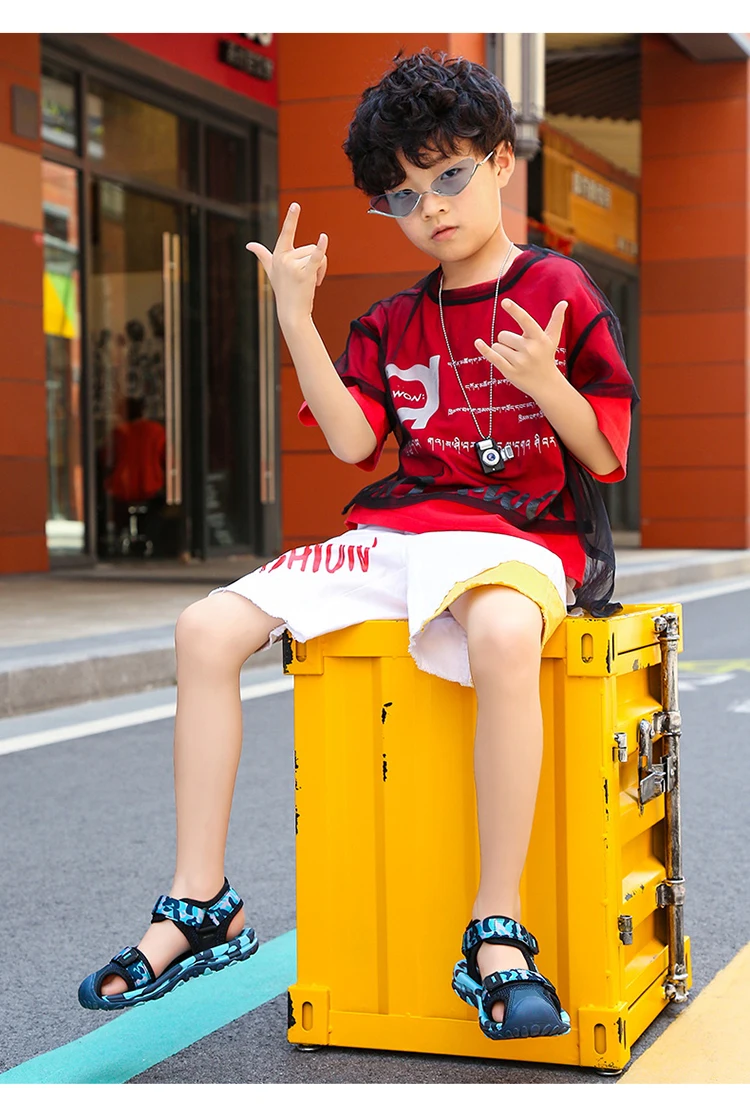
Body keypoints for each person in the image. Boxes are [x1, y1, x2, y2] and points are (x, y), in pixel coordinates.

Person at [79, 50, 636, 1041]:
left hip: (520, 534)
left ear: (502, 162)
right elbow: (351, 443)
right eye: (404, 195)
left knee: (505, 633)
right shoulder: (394, 320)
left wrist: (549, 384)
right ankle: (200, 899)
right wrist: (295, 316)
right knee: (204, 628)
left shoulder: (555, 286)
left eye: (450, 175)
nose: (432, 207)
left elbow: (602, 453)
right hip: (401, 532)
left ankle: (497, 923)